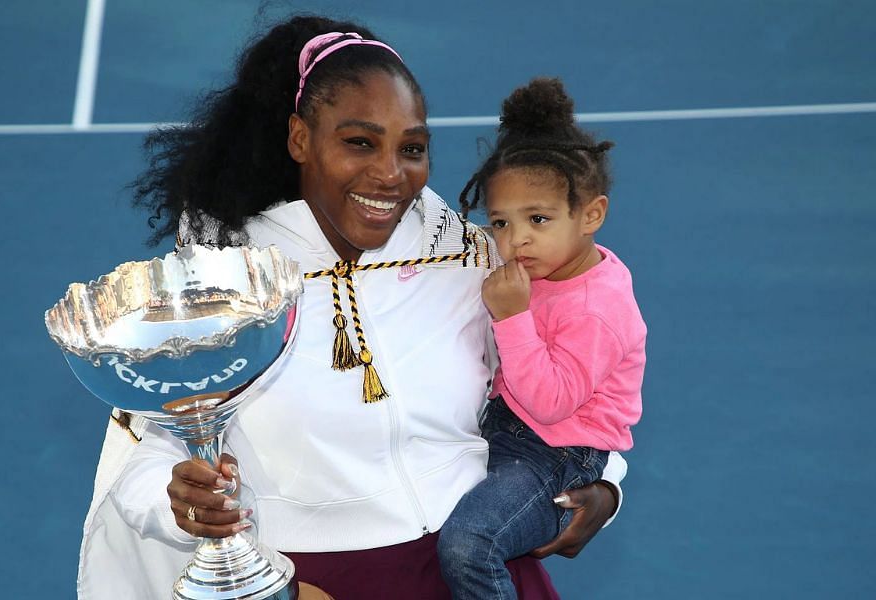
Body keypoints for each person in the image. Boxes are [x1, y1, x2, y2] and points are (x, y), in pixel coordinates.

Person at [77, 17, 629, 600]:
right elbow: (149, 447)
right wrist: (179, 502)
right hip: (318, 584)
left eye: (411, 148)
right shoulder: (224, 285)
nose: (390, 174)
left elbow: (583, 369)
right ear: (300, 139)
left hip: (472, 563)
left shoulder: (475, 260)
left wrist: (606, 484)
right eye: (359, 142)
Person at [434, 77, 646, 599]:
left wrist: (512, 319)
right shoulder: (543, 262)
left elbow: (551, 403)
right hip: (505, 428)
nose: (515, 239)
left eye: (539, 219)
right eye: (501, 222)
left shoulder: (598, 309)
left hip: (556, 454)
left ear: (591, 214)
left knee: (469, 543)